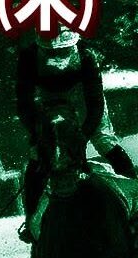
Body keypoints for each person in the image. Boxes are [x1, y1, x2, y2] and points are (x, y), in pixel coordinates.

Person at [15, 28, 137, 242]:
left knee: (105, 141)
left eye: (63, 51)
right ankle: (31, 218)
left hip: (83, 102)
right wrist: (38, 133)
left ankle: (135, 200)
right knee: (37, 154)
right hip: (47, 104)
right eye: (52, 53)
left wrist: (82, 136)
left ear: (72, 44)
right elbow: (24, 104)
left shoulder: (86, 57)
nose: (57, 58)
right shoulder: (28, 58)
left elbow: (95, 105)